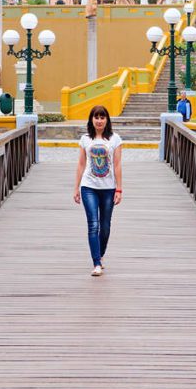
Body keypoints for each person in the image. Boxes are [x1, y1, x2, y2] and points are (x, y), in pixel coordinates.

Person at [73, 105, 123, 277]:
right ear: (91, 119)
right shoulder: (85, 139)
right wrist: (76, 188)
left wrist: (119, 189)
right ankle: (96, 263)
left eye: (102, 117)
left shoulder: (115, 139)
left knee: (105, 227)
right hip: (89, 187)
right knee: (93, 225)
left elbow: (117, 165)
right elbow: (81, 164)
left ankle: (100, 255)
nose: (99, 120)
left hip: (108, 188)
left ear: (107, 120)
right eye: (96, 117)